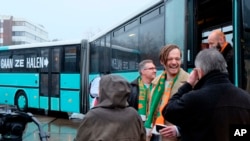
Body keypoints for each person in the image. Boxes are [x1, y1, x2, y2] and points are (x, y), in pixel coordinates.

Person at [162, 48, 250, 141]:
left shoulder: (194, 98)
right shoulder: (246, 98)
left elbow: (168, 111)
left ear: (199, 72)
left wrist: (188, 85)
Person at [74, 74, 146, 141]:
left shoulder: (93, 115)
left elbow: (80, 138)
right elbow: (142, 137)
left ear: (103, 91)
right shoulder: (134, 114)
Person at [145, 44, 189, 141]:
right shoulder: (155, 83)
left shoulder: (190, 82)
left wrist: (178, 130)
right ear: (162, 61)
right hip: (155, 135)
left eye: (177, 59)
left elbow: (198, 114)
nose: (174, 62)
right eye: (170, 59)